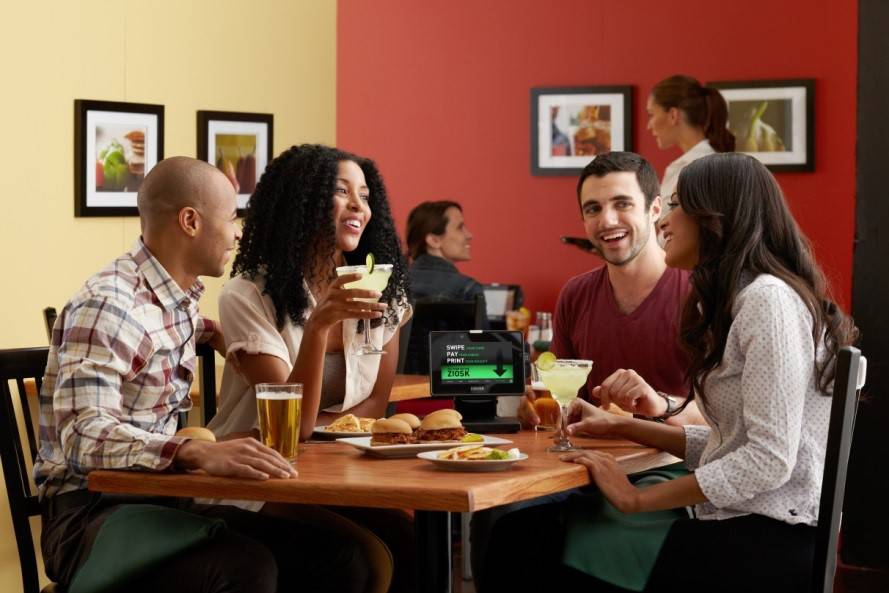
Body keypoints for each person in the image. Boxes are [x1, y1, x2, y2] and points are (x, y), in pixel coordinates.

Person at [484, 152, 858, 592]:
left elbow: (767, 461)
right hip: (743, 523)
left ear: (717, 218)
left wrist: (636, 499)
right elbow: (730, 443)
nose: (666, 221)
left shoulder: (766, 301)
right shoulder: (746, 299)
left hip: (768, 539)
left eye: (677, 206)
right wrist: (624, 425)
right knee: (524, 534)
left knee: (527, 541)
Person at [34, 157, 370, 593]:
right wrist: (193, 451)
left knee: (341, 558)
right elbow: (82, 434)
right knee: (245, 568)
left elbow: (186, 329)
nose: (238, 232)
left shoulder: (174, 300)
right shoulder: (110, 304)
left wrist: (226, 337)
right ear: (190, 221)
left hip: (159, 501)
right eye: (231, 217)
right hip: (91, 518)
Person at [205, 144, 415, 592]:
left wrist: (321, 436)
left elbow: (375, 405)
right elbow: (291, 428)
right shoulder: (248, 295)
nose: (359, 206)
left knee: (404, 534)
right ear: (301, 203)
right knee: (350, 560)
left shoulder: (379, 292)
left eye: (365, 194)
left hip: (336, 473)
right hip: (256, 482)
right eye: (341, 192)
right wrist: (318, 327)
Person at [518, 152, 701, 427]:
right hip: (588, 458)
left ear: (654, 209)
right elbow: (563, 403)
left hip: (671, 465)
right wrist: (528, 403)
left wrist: (662, 405)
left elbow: (727, 416)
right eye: (593, 209)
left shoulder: (700, 292)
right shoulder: (575, 294)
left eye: (622, 204)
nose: (607, 221)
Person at [646, 74, 735, 201]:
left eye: (651, 114)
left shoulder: (699, 169)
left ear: (673, 115)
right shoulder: (701, 164)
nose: (648, 126)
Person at [405, 200, 486, 308]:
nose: (469, 235)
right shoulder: (468, 290)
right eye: (460, 227)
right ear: (434, 240)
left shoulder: (392, 285)